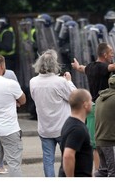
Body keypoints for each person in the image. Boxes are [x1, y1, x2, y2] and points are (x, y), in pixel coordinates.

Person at [71, 42, 115, 172]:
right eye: (111, 53)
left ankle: (101, 171)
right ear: (104, 54)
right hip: (99, 108)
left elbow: (82, 68)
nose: (112, 55)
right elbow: (114, 66)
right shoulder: (102, 67)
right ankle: (99, 172)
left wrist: (76, 67)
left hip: (94, 108)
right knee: (97, 145)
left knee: (98, 142)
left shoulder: (91, 67)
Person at [30, 49, 76, 177]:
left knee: (48, 160)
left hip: (45, 128)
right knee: (67, 158)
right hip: (62, 127)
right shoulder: (60, 82)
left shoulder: (33, 81)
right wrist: (69, 82)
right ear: (54, 64)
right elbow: (75, 98)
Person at [0, 54, 26, 177]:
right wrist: (14, 101)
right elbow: (23, 100)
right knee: (14, 163)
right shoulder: (10, 84)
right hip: (9, 130)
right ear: (2, 66)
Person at [58, 89, 93, 177]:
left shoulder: (70, 122)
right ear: (85, 104)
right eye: (90, 101)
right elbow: (68, 155)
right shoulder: (77, 129)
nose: (92, 104)